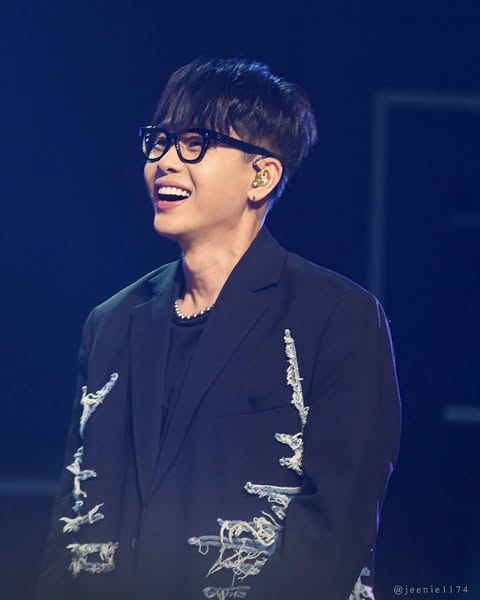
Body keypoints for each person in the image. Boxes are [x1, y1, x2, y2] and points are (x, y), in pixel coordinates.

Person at [34, 56, 401, 600]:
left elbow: (335, 524)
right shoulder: (110, 323)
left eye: (194, 144)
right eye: (160, 141)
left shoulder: (337, 316)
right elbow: (73, 513)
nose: (165, 161)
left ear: (262, 175)